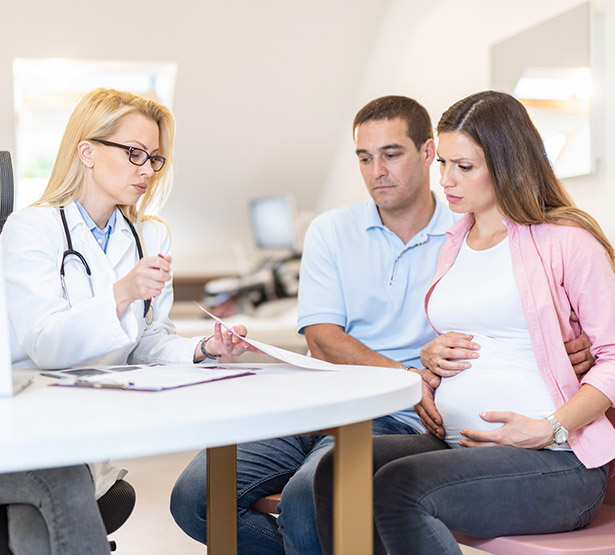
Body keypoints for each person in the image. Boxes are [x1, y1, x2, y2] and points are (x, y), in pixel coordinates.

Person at [169, 95, 593, 554]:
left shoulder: (472, 227)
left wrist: (561, 344)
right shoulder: (341, 231)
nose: (377, 171)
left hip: (403, 414)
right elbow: (322, 338)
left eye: (391, 154)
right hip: (324, 397)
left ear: (426, 153)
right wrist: (410, 369)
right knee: (197, 500)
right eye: (364, 158)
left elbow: (533, 318)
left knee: (310, 501)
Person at [313, 90, 615, 555]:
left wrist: (549, 427)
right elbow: (482, 336)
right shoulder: (455, 242)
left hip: (555, 460)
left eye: (465, 167)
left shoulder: (566, 241)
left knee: (399, 488)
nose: (448, 180)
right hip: (460, 446)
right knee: (338, 471)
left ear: (508, 162)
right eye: (444, 165)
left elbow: (613, 356)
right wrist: (431, 360)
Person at [0, 88, 251, 554]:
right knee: (62, 482)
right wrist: (121, 294)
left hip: (86, 428)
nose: (146, 169)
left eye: (154, 158)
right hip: (21, 425)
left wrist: (204, 350)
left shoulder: (149, 235)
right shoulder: (30, 228)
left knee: (37, 522)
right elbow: (44, 344)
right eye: (134, 152)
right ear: (87, 151)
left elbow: (149, 340)